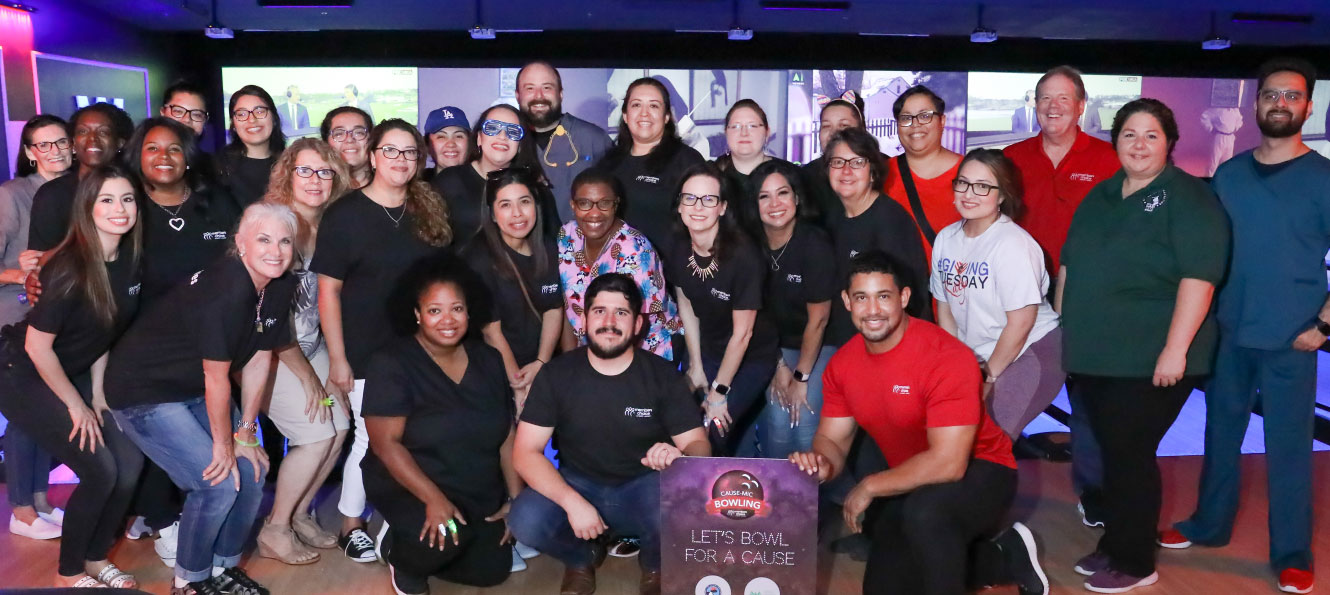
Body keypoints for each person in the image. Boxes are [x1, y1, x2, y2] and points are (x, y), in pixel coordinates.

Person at [788, 250, 1047, 595]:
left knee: (926, 515)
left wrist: (869, 486)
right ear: (847, 302)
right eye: (862, 298)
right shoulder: (843, 364)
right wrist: (820, 465)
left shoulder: (948, 357)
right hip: (912, 475)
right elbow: (833, 441)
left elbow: (949, 464)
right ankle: (1002, 558)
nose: (873, 310)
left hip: (982, 469)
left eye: (884, 296)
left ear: (904, 298)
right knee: (884, 586)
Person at [1165, 58, 1328, 595]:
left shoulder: (1324, 178)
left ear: (1307, 106)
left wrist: (1323, 327)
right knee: (1219, 435)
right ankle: (1209, 526)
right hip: (1231, 330)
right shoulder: (1230, 175)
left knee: (1288, 451)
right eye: (1270, 95)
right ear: (1255, 104)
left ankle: (1291, 553)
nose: (1280, 104)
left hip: (1292, 338)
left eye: (1292, 96)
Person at [1058, 98, 1229, 593]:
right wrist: (1065, 321)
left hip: (1152, 356)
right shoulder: (1103, 194)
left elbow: (1199, 279)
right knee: (1113, 453)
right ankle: (1117, 542)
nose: (1139, 144)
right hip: (1096, 354)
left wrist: (1175, 350)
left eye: (1151, 134)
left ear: (1170, 143)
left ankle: (1135, 562)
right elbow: (1071, 264)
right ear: (1115, 141)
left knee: (1130, 452)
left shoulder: (1188, 198)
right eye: (1129, 134)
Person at [105, 203, 300, 595]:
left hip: (191, 387)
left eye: (284, 241)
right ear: (240, 245)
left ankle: (222, 570)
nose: (275, 251)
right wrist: (224, 445)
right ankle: (189, 582)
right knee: (217, 482)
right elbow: (216, 376)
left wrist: (246, 433)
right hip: (143, 391)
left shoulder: (279, 284)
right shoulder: (226, 290)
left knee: (251, 471)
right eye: (263, 239)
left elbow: (261, 356)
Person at [509, 273, 710, 595]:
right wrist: (572, 502)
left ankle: (656, 564)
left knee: (685, 502)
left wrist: (681, 457)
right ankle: (581, 558)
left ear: (638, 324)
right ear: (584, 319)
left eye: (621, 313)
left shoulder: (661, 376)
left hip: (643, 487)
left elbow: (700, 447)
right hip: (579, 483)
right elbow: (524, 452)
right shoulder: (557, 374)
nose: (609, 321)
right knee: (524, 520)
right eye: (599, 311)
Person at [312, 118, 453, 562]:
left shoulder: (426, 208)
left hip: (421, 349)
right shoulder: (345, 214)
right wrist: (338, 358)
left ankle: (397, 518)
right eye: (390, 151)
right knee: (372, 440)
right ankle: (351, 524)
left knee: (414, 437)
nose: (401, 160)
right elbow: (328, 290)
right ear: (372, 157)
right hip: (366, 351)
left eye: (410, 152)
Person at [0, 165, 145, 588]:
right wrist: (76, 404)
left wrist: (98, 393)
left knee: (129, 465)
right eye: (107, 200)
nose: (120, 209)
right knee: (100, 469)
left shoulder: (128, 259)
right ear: (88, 208)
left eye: (127, 199)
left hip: (74, 372)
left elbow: (105, 331)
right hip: (21, 373)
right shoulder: (69, 267)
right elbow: (37, 347)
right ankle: (69, 571)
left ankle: (98, 558)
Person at [1003, 65, 1119, 527]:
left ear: (1081, 106)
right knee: (1007, 389)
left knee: (1087, 396)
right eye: (1043, 98)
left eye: (1062, 98)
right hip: (1020, 295)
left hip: (1087, 297)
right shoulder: (1012, 157)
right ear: (1034, 104)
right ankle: (992, 486)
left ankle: (1094, 490)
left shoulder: (1109, 159)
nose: (1052, 106)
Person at [363, 259, 519, 595]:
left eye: (457, 309)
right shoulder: (390, 362)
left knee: (493, 570)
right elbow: (385, 445)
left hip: (472, 481)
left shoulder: (489, 360)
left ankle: (435, 539)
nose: (447, 320)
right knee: (445, 538)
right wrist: (433, 499)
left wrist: (515, 498)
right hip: (411, 482)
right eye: (435, 310)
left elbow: (506, 435)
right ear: (417, 313)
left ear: (469, 311)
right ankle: (398, 551)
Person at [254, 138, 352, 565]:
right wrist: (313, 378)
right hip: (266, 351)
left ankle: (298, 513)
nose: (316, 181)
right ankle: (274, 529)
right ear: (288, 174)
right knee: (316, 434)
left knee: (342, 425)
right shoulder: (275, 224)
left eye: (325, 172)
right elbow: (266, 321)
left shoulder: (332, 223)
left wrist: (333, 362)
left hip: (311, 345)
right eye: (306, 171)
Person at [931, 149, 1063, 440]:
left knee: (990, 441)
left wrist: (988, 375)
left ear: (1002, 195)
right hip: (981, 356)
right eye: (963, 183)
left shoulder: (1012, 245)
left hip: (1029, 351)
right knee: (956, 435)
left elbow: (1021, 324)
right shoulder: (946, 239)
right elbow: (946, 313)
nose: (969, 193)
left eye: (983, 186)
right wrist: (959, 370)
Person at [665, 162, 778, 457]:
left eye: (709, 199)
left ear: (723, 207)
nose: (697, 207)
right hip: (708, 349)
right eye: (689, 198)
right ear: (679, 205)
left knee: (714, 428)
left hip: (750, 356)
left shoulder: (744, 256)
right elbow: (685, 302)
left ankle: (725, 499)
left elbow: (743, 334)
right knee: (677, 423)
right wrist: (696, 366)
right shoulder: (678, 245)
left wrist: (719, 390)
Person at [0, 114, 72, 540]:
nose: (55, 151)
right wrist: (15, 274)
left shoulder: (78, 190)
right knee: (27, 415)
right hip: (13, 321)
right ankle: (22, 510)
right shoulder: (12, 196)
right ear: (29, 153)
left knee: (49, 413)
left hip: (56, 320)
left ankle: (42, 501)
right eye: (43, 145)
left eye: (61, 142)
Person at [748, 159, 836, 459]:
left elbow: (819, 320)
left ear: (796, 198)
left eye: (782, 193)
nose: (775, 203)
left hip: (821, 343)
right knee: (778, 419)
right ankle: (778, 497)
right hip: (774, 347)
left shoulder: (814, 243)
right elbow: (754, 316)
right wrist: (777, 365)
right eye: (764, 196)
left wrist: (800, 378)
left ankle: (815, 496)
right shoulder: (749, 245)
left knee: (804, 415)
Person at [463, 167, 563, 408]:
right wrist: (518, 384)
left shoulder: (549, 248)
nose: (517, 214)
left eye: (524, 202)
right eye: (505, 205)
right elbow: (491, 332)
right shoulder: (478, 259)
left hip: (541, 368)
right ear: (494, 215)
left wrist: (541, 363)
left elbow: (553, 309)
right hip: (496, 375)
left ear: (536, 205)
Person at [823, 127, 930, 345]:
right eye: (838, 162)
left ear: (873, 172)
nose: (846, 170)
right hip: (841, 342)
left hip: (885, 343)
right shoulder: (831, 217)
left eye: (857, 162)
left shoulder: (890, 221)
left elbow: (910, 300)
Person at [557, 168, 679, 360]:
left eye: (604, 203)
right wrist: (570, 362)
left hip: (644, 353)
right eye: (584, 203)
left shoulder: (635, 250)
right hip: (590, 351)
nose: (594, 213)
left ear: (616, 205)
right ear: (573, 205)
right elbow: (567, 306)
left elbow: (641, 323)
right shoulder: (567, 236)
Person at [597, 77, 706, 252]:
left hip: (670, 271)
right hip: (616, 269)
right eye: (636, 105)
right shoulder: (608, 163)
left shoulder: (687, 161)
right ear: (625, 115)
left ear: (667, 116)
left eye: (654, 106)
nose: (644, 113)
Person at [430, 104, 558, 242]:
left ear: (520, 145)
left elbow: (552, 242)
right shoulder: (450, 181)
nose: (502, 136)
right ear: (479, 138)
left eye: (513, 131)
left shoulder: (534, 187)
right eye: (492, 128)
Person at [27, 103, 134, 251]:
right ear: (73, 143)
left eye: (103, 132)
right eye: (83, 132)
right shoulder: (52, 194)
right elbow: (40, 261)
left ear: (120, 142)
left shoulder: (135, 189)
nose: (92, 139)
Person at [516, 61, 613, 219]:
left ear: (560, 94)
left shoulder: (593, 138)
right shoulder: (508, 142)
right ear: (517, 95)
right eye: (530, 88)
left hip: (584, 242)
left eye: (547, 87)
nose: (539, 96)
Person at [885, 85, 964, 263]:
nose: (915, 124)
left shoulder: (970, 173)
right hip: (897, 287)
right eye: (906, 118)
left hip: (955, 287)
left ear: (942, 121)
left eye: (925, 116)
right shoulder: (881, 173)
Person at [802, 95, 867, 224]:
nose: (834, 133)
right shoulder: (805, 177)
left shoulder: (884, 168)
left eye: (843, 125)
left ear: (862, 130)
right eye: (826, 126)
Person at [221, 84, 287, 208]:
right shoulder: (217, 166)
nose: (252, 119)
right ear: (233, 124)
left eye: (260, 111)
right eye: (242, 114)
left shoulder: (292, 164)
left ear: (273, 118)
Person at [714, 99, 779, 201]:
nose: (744, 133)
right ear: (726, 133)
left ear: (767, 132)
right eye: (736, 126)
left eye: (752, 126)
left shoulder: (788, 175)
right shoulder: (710, 175)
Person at [320, 106, 374, 191]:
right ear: (325, 142)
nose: (349, 139)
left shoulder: (390, 188)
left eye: (359, 133)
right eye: (339, 134)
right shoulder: (317, 191)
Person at [421, 106, 470, 181]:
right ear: (427, 145)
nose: (451, 144)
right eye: (441, 137)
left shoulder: (485, 184)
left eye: (458, 136)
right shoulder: (416, 185)